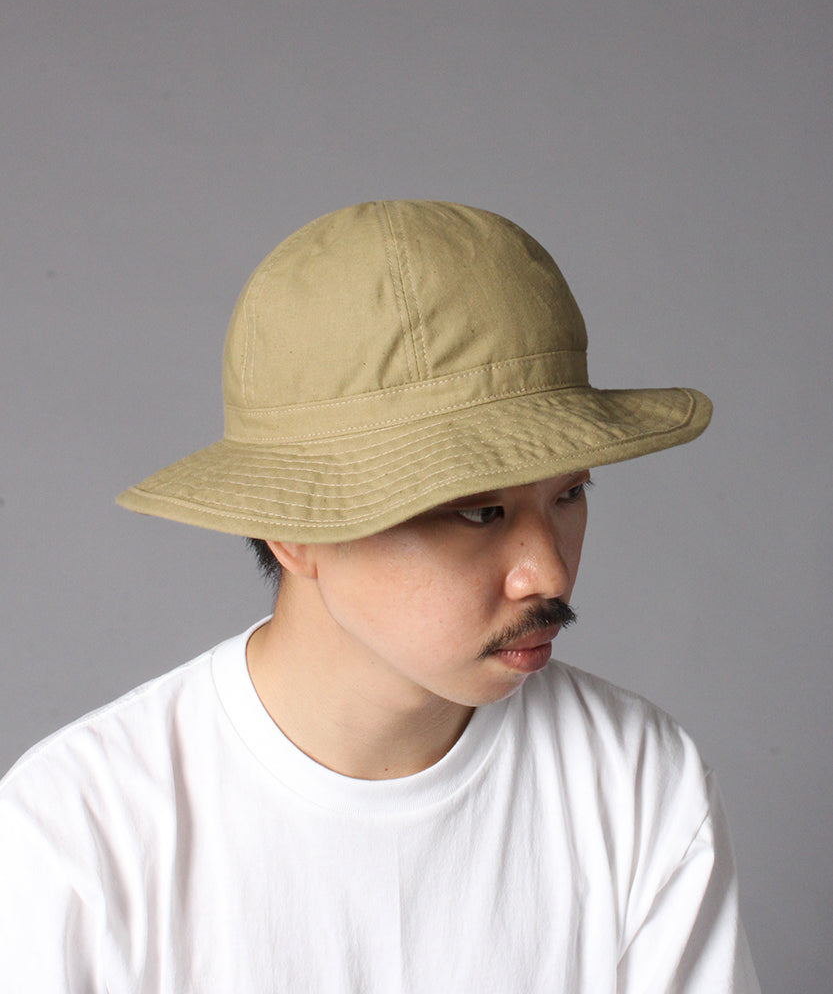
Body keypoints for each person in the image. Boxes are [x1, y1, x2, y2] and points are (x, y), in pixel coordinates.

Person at [0, 201, 760, 992]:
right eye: (479, 512)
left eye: (569, 494)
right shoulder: (79, 833)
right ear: (292, 528)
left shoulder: (635, 781)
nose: (548, 574)